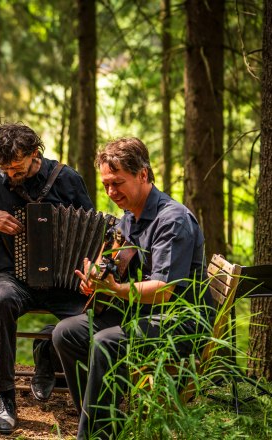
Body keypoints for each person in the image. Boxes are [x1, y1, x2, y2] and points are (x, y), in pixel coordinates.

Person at [52, 137, 211, 439]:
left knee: (106, 341)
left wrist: (115, 290)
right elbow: (113, 260)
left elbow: (165, 289)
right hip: (140, 313)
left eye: (118, 183)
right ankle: (103, 426)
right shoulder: (129, 218)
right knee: (66, 332)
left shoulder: (172, 220)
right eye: (106, 185)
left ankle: (94, 435)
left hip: (178, 321)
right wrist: (95, 279)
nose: (111, 192)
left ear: (143, 175)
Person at [0, 122, 94, 435]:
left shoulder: (67, 179)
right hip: (15, 279)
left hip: (64, 282)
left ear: (34, 153)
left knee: (97, 316)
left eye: (16, 166)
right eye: (4, 167)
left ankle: (51, 354)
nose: (10, 174)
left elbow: (93, 232)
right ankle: (6, 398)